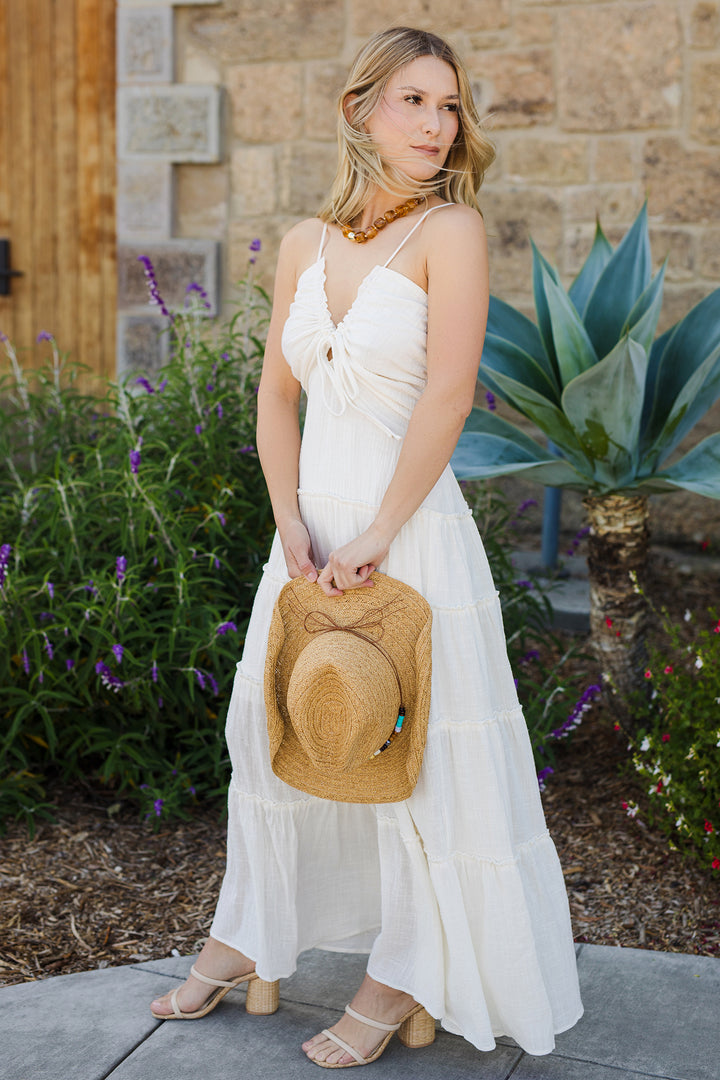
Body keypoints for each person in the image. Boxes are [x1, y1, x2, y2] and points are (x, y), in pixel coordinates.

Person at [150, 25, 583, 1067]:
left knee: (420, 761)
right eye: (413, 101)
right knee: (277, 738)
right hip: (308, 540)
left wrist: (381, 531)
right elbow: (274, 395)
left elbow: (450, 397)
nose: (437, 125)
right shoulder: (304, 242)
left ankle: (400, 976)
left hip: (408, 531)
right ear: (360, 109)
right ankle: (246, 936)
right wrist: (288, 521)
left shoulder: (451, 230)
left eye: (450, 105)